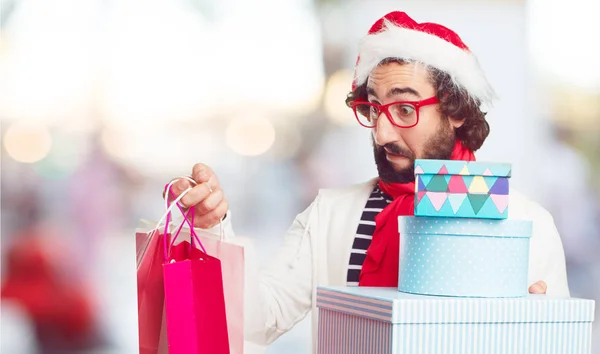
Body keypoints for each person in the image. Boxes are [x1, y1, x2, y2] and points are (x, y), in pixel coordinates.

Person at [166, 11, 570, 353]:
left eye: (406, 108)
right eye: (374, 110)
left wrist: (530, 332)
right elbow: (257, 320)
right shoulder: (332, 214)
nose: (383, 134)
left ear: (456, 110)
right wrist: (212, 229)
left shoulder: (526, 224)